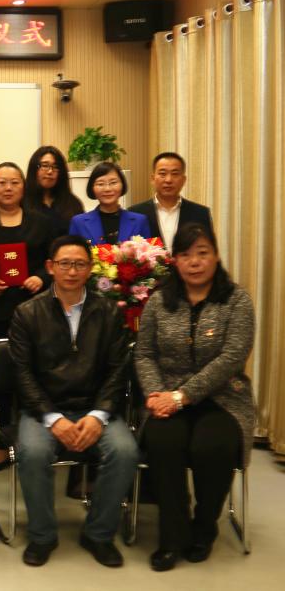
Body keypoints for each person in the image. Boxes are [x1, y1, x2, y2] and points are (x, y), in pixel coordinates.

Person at [9, 235, 138, 568]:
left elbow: (118, 370)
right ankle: (42, 536)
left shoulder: (108, 311)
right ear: (50, 267)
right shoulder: (27, 312)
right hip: (44, 410)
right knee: (33, 452)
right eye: (64, 263)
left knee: (124, 451)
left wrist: (98, 415)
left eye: (79, 264)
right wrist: (53, 419)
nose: (71, 271)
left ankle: (98, 534)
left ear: (90, 268)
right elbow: (23, 375)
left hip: (96, 407)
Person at [135, 224, 254, 572]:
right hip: (165, 396)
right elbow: (144, 354)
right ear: (175, 261)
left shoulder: (237, 300)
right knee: (163, 443)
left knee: (211, 447)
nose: (195, 262)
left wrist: (183, 396)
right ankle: (172, 536)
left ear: (216, 256)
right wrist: (156, 393)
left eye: (202, 253)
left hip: (223, 398)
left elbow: (232, 357)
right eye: (185, 255)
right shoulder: (160, 300)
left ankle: (204, 529)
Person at [0, 162, 54, 342]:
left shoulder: (41, 222)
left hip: (35, 303)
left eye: (15, 182)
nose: (8, 188)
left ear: (23, 187)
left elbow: (54, 259)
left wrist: (41, 278)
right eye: (2, 182)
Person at [129, 152, 214, 248]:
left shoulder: (200, 214)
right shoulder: (135, 213)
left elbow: (207, 250)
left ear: (183, 180)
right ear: (153, 179)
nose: (168, 180)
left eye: (175, 174)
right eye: (162, 174)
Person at [69, 162, 150, 245]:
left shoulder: (140, 221)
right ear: (92, 188)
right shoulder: (78, 223)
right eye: (100, 184)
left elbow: (147, 252)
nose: (107, 189)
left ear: (122, 185)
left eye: (113, 183)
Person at [23, 145, 85, 236]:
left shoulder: (73, 204)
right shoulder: (22, 202)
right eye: (45, 166)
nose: (50, 171)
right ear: (34, 168)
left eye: (55, 167)